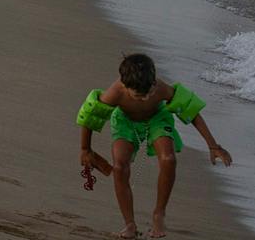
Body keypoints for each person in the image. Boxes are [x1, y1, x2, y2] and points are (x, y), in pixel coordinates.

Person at [76, 52, 230, 239]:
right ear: (125, 85)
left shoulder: (161, 89)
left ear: (154, 82)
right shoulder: (115, 92)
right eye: (138, 95)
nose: (145, 98)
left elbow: (192, 112)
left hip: (157, 118)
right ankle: (129, 224)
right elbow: (90, 114)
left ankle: (159, 213)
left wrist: (213, 145)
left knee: (169, 159)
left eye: (148, 93)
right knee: (119, 166)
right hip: (125, 122)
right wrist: (86, 149)